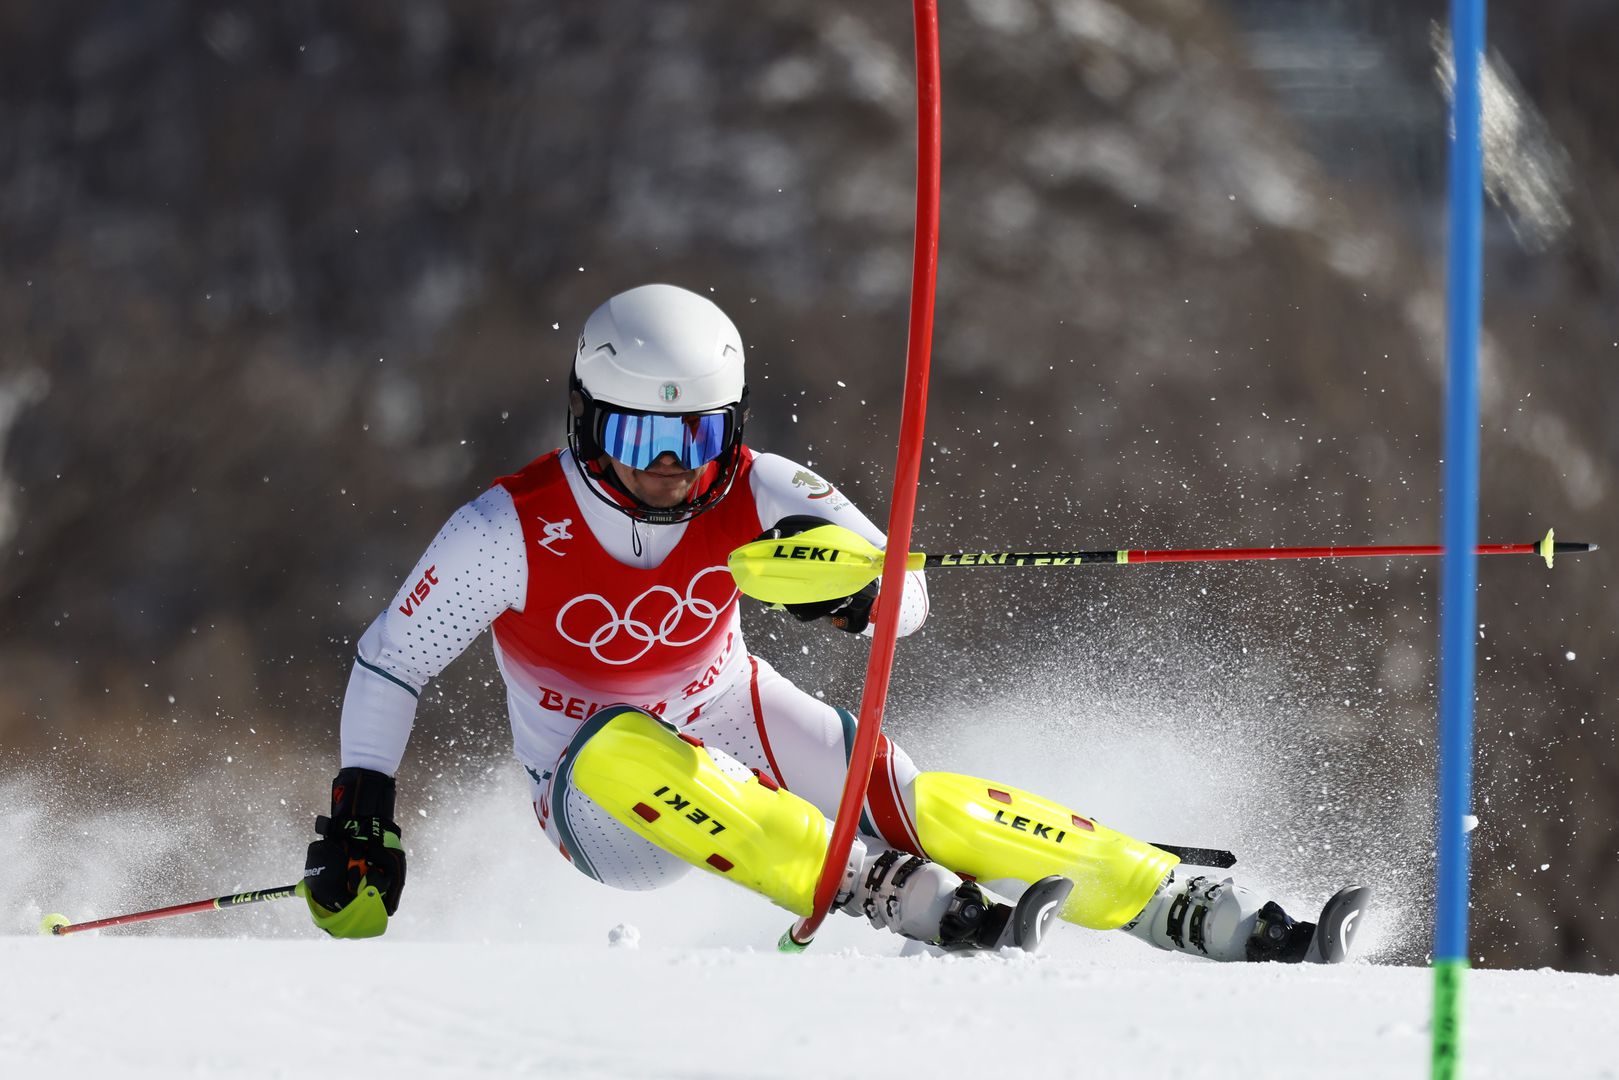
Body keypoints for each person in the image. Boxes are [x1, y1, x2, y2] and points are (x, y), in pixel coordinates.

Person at [302, 283, 1369, 960]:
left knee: (918, 799)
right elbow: (393, 660)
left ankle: (1170, 899)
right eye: (637, 435)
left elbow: (906, 590)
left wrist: (857, 594)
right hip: (599, 800)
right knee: (623, 747)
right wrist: (361, 811)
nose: (669, 471)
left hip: (727, 707)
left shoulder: (759, 487)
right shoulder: (505, 528)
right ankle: (871, 887)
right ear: (585, 420)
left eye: (695, 438)